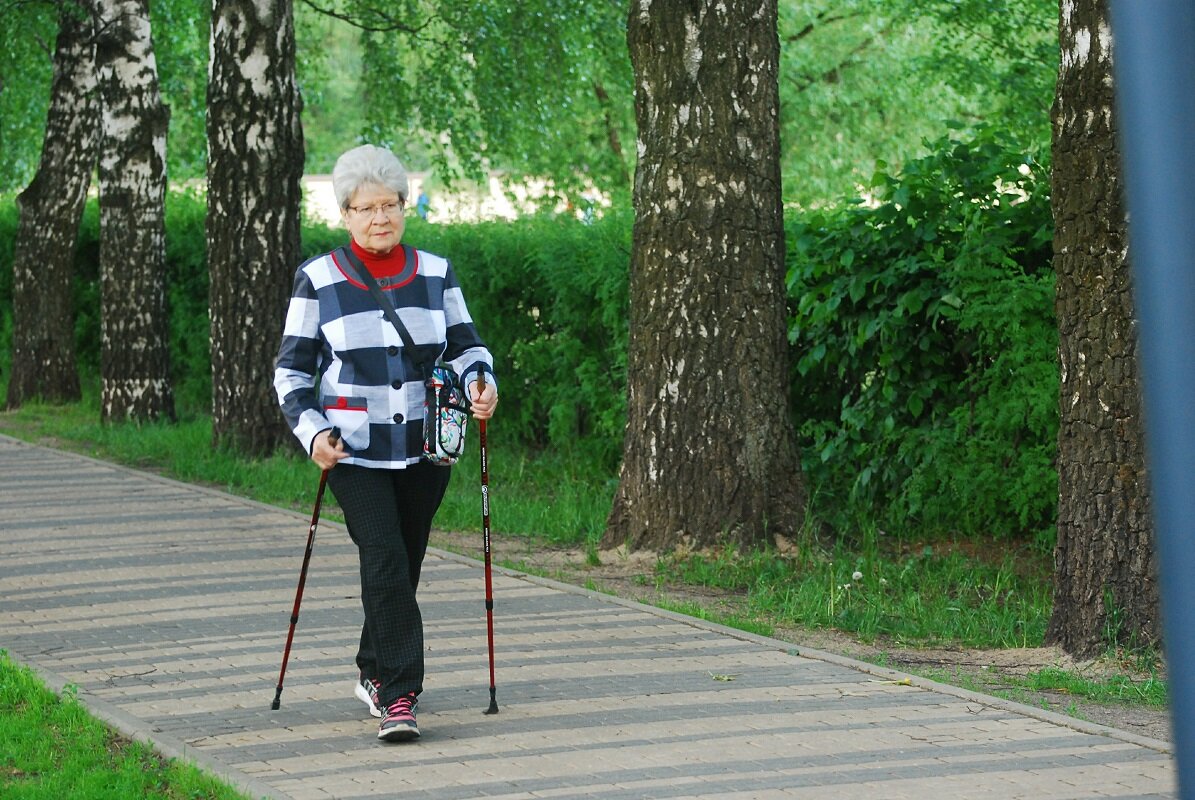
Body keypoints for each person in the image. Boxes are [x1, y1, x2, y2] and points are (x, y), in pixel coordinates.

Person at [274, 144, 497, 742]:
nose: (381, 218)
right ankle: (400, 695)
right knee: (385, 555)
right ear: (344, 213)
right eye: (367, 208)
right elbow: (291, 372)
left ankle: (373, 670)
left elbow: (468, 347)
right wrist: (313, 431)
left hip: (426, 448)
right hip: (352, 450)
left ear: (404, 206)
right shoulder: (318, 279)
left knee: (407, 560)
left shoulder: (435, 273)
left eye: (391, 205)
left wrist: (481, 383)